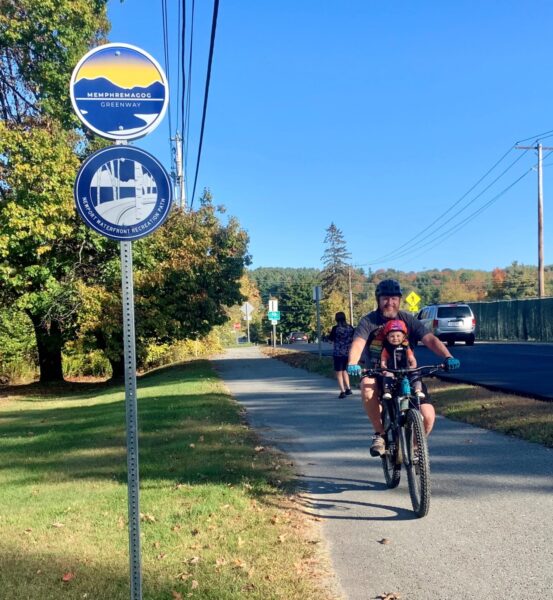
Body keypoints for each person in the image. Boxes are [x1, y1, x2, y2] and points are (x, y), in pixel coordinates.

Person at [346, 279, 460, 457]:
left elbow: (429, 339)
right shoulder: (368, 321)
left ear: (399, 300)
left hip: (406, 372)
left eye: (394, 298)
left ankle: (413, 449)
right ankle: (380, 434)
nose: (389, 303)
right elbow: (358, 343)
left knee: (428, 417)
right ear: (378, 299)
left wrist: (448, 356)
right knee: (367, 387)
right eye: (385, 298)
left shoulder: (407, 319)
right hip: (378, 372)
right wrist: (352, 363)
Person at [380, 319, 424, 400]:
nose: (395, 338)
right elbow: (383, 359)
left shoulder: (406, 347)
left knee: (415, 374)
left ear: (403, 336)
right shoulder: (387, 348)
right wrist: (384, 368)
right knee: (387, 376)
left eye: (398, 336)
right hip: (392, 370)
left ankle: (417, 390)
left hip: (406, 369)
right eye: (392, 336)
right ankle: (387, 391)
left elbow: (411, 358)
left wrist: (413, 366)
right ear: (387, 337)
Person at [328, 311, 355, 399]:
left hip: (338, 353)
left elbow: (330, 340)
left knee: (339, 372)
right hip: (348, 353)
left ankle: (342, 391)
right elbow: (354, 338)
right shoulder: (350, 328)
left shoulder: (335, 329)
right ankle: (349, 388)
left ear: (336, 319)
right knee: (345, 370)